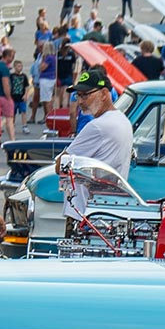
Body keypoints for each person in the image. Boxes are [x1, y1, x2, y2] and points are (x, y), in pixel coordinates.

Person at [62, 67, 135, 222]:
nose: (80, 101)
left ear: (103, 94)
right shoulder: (123, 120)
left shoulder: (98, 126)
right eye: (78, 95)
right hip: (105, 209)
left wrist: (61, 157)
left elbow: (61, 166)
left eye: (85, 95)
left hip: (84, 213)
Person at [0, 48, 19, 142]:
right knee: (9, 119)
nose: (13, 59)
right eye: (12, 56)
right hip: (3, 96)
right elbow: (5, 83)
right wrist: (9, 97)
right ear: (7, 56)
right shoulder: (4, 68)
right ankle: (12, 139)